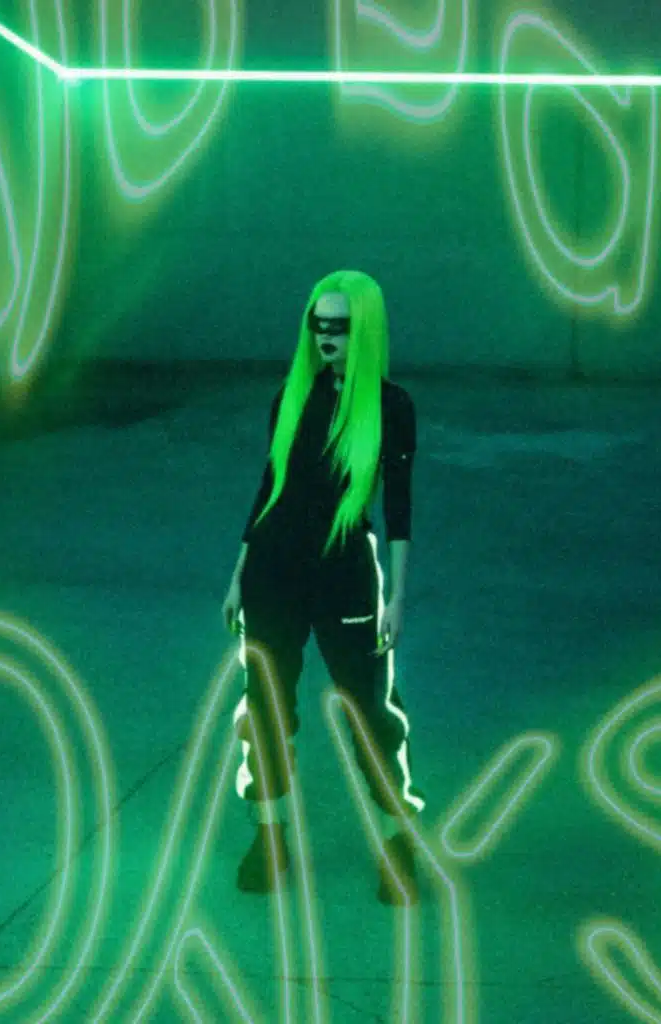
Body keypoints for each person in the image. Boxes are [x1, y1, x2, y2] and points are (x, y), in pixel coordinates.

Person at [221, 269, 426, 905]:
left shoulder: (391, 406)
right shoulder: (290, 397)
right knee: (265, 707)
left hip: (345, 577)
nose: (326, 336)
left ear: (365, 330)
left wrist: (397, 596)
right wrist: (238, 574)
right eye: (318, 323)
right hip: (272, 574)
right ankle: (270, 835)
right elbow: (270, 486)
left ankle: (396, 838)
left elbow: (399, 504)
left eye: (341, 326)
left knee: (369, 710)